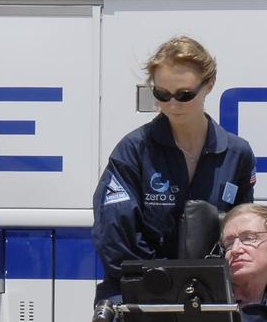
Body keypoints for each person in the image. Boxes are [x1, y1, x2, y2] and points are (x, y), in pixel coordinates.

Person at [92, 36, 256, 304]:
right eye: (161, 94)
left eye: (184, 95)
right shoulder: (134, 150)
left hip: (208, 293)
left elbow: (241, 231)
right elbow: (114, 235)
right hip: (139, 290)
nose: (172, 105)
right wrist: (165, 285)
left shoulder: (238, 154)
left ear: (209, 85)